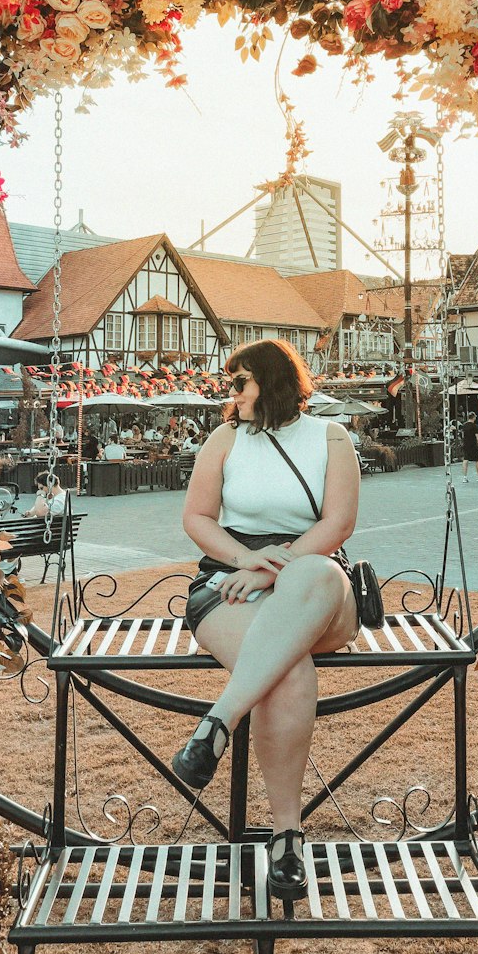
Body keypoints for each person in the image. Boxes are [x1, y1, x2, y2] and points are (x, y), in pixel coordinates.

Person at [171, 340, 360, 900]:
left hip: (312, 585)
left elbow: (340, 523)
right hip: (229, 579)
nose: (231, 395)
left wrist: (274, 571)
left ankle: (218, 722)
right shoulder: (224, 440)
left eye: (240, 383)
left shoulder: (331, 438)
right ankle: (287, 840)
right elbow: (197, 517)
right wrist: (244, 561)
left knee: (317, 575)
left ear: (273, 383)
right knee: (289, 670)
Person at [460, 410, 478, 482]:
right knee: (477, 460)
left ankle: (464, 477)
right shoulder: (474, 426)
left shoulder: (463, 426)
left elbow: (462, 435)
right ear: (474, 417)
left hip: (465, 444)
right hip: (472, 444)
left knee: (465, 459)